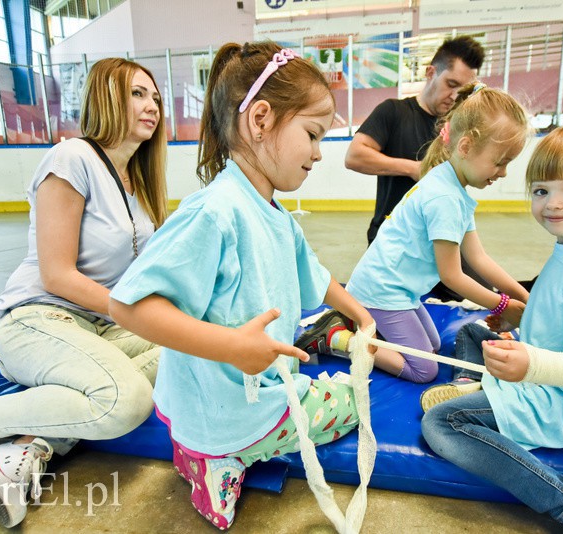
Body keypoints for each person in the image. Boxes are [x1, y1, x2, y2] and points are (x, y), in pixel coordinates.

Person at [108, 42, 375, 531]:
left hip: (232, 397)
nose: (318, 153)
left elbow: (312, 273)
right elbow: (129, 305)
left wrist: (360, 315)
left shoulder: (271, 213)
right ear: (260, 119)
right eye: (313, 135)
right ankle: (220, 456)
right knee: (354, 403)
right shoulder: (216, 211)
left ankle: (215, 458)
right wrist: (233, 346)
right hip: (233, 405)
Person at [0, 58, 167, 528]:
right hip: (36, 319)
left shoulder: (137, 182)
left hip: (95, 326)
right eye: (138, 94)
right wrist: (134, 314)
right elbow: (57, 275)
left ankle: (30, 444)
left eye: (155, 97)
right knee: (126, 401)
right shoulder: (71, 157)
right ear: (107, 99)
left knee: (180, 351)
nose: (151, 106)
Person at [420, 120, 563, 534]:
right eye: (542, 191)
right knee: (473, 332)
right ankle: (476, 388)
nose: (553, 204)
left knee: (441, 423)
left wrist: (533, 366)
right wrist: (519, 320)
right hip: (543, 374)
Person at [337, 83, 531, 384]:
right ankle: (340, 340)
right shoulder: (445, 199)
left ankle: (358, 326)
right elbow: (452, 276)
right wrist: (503, 305)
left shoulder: (450, 186)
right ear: (465, 147)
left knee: (435, 347)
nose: (503, 172)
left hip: (403, 291)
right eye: (499, 162)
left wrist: (523, 298)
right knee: (424, 369)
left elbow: (478, 258)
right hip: (382, 292)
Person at [345, 36, 485, 245]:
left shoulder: (457, 128)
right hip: (392, 240)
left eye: (463, 90)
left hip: (439, 239)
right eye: (451, 84)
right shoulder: (393, 111)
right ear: (431, 73)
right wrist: (413, 168)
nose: (455, 96)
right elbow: (354, 156)